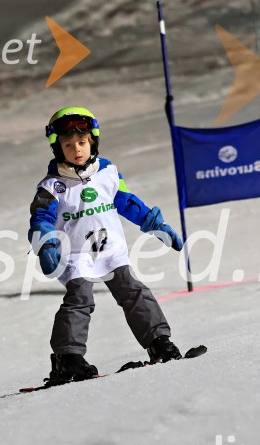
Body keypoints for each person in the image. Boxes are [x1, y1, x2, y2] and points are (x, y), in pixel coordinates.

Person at [28, 107, 185, 384]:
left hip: (110, 248)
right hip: (77, 255)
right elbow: (42, 218)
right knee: (80, 300)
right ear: (57, 148)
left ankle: (159, 342)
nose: (76, 149)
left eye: (82, 142)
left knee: (134, 291)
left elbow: (127, 202)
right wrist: (46, 244)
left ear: (92, 142)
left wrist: (155, 225)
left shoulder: (108, 172)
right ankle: (68, 358)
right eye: (68, 144)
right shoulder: (52, 186)